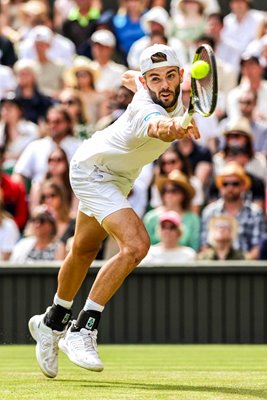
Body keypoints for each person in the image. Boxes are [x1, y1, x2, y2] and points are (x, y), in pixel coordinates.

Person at [28, 43, 200, 378]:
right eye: (154, 79)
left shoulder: (149, 84)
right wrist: (176, 128)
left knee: (83, 250)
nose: (163, 85)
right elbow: (159, 127)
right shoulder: (143, 109)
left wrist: (140, 77)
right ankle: (83, 328)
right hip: (92, 172)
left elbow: (127, 75)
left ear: (180, 75)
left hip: (117, 174)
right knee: (136, 245)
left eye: (168, 76)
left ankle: (51, 322)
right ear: (147, 84)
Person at [200, 161, 267, 260]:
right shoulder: (209, 212)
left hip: (246, 269)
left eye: (235, 184)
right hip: (214, 268)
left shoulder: (255, 213)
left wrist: (239, 265)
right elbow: (205, 245)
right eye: (225, 184)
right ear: (220, 187)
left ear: (243, 186)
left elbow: (258, 247)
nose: (230, 187)